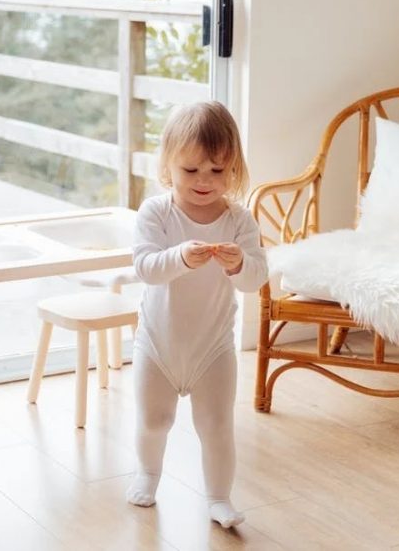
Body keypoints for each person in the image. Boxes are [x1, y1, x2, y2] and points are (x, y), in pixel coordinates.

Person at [127, 101, 268, 528]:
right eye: (191, 171)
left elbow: (256, 278)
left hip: (213, 348)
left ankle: (218, 498)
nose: (204, 181)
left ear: (234, 170)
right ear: (169, 166)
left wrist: (238, 263)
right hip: (158, 345)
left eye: (217, 171)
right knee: (154, 421)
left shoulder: (239, 221)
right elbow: (146, 268)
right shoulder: (157, 213)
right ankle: (148, 474)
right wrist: (181, 259)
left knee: (217, 427)